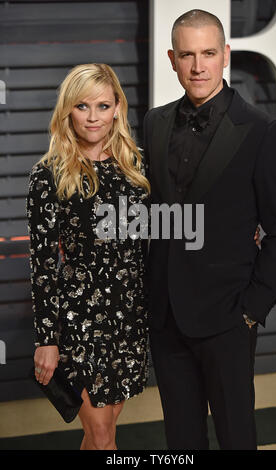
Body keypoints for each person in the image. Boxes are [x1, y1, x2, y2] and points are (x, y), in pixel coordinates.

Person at [143, 9, 276, 450]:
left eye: (208, 53)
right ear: (172, 59)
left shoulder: (264, 131)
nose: (198, 67)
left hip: (228, 318)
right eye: (187, 55)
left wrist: (250, 309)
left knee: (235, 436)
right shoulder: (154, 123)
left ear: (225, 55)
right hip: (167, 317)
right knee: (182, 440)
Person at [26, 63, 150, 450]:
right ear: (68, 110)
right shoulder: (48, 175)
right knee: (101, 437)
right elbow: (44, 264)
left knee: (101, 434)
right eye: (82, 106)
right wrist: (47, 338)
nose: (93, 117)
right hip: (80, 322)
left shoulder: (134, 167)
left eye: (102, 105)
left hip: (129, 318)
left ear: (117, 108)